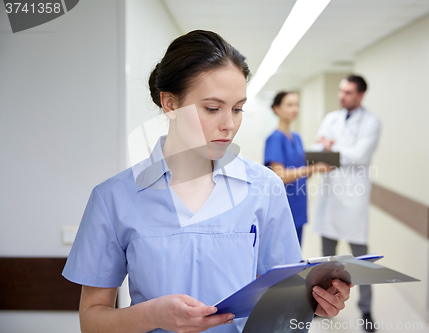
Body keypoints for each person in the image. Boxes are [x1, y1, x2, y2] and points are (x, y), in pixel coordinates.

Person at [62, 30, 351, 333]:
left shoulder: (264, 188)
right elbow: (92, 321)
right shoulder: (113, 198)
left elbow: (286, 302)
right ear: (171, 105)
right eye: (212, 108)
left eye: (238, 108)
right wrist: (153, 316)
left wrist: (315, 302)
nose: (229, 124)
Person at [313, 74, 381, 332]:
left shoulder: (372, 122)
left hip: (354, 201)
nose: (342, 96)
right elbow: (315, 149)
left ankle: (366, 311)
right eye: (341, 91)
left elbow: (359, 155)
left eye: (348, 92)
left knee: (361, 263)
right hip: (331, 198)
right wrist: (329, 150)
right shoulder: (331, 118)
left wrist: (332, 148)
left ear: (360, 95)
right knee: (325, 263)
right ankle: (320, 304)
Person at [264, 92, 330, 245]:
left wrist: (319, 163)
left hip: (299, 205)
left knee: (297, 256)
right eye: (289, 105)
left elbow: (301, 174)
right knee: (283, 261)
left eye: (296, 104)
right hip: (283, 207)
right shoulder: (275, 139)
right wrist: (312, 168)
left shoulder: (297, 137)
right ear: (276, 109)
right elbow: (279, 176)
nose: (295, 109)